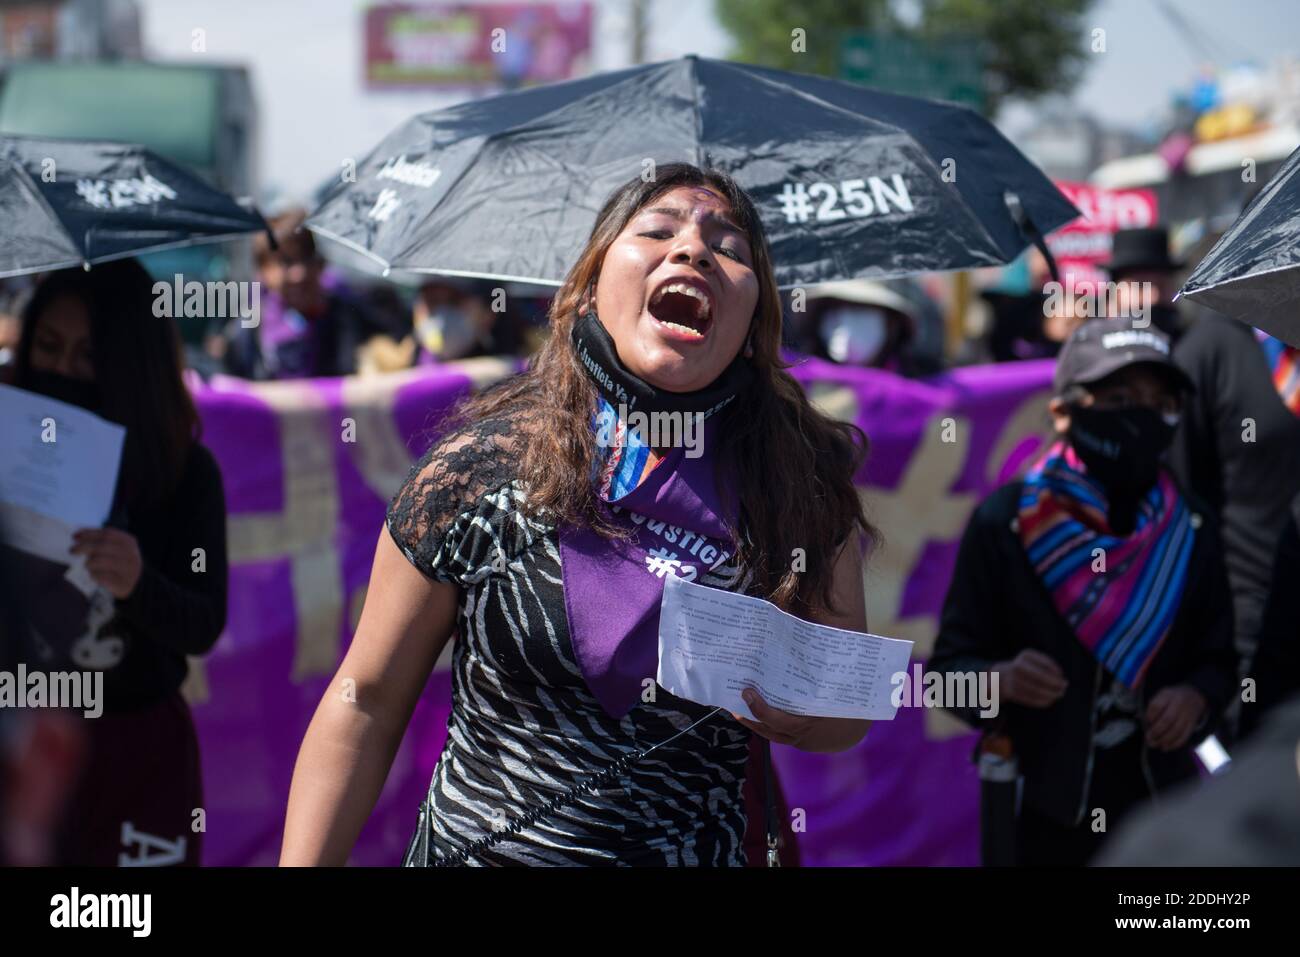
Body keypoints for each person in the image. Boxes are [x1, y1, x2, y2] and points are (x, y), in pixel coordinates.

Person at [280, 163, 876, 866]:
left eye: (730, 248)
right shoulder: (476, 471)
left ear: (754, 321)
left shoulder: (799, 487)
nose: (691, 250)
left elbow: (847, 711)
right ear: (591, 287)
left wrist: (801, 715)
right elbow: (366, 702)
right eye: (657, 230)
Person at [928, 316, 1237, 867]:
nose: (1141, 415)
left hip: (1165, 820)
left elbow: (1221, 664)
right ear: (1063, 412)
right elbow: (945, 684)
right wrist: (1001, 681)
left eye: (1159, 400)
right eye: (1118, 398)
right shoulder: (1006, 524)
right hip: (1042, 820)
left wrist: (1197, 699)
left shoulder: (1192, 526)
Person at [8, 258, 228, 866]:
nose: (62, 369)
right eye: (48, 346)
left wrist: (138, 584)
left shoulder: (184, 474)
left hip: (137, 757)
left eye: (89, 354)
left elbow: (204, 622)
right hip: (21, 738)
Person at [225, 208, 397, 379]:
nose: (300, 273)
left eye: (307, 257)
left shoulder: (353, 314)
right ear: (263, 271)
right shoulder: (248, 336)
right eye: (286, 262)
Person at [1100, 226, 1187, 342]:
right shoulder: (1088, 348)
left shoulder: (1192, 347)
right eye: (1141, 286)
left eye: (1162, 285)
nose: (1154, 297)